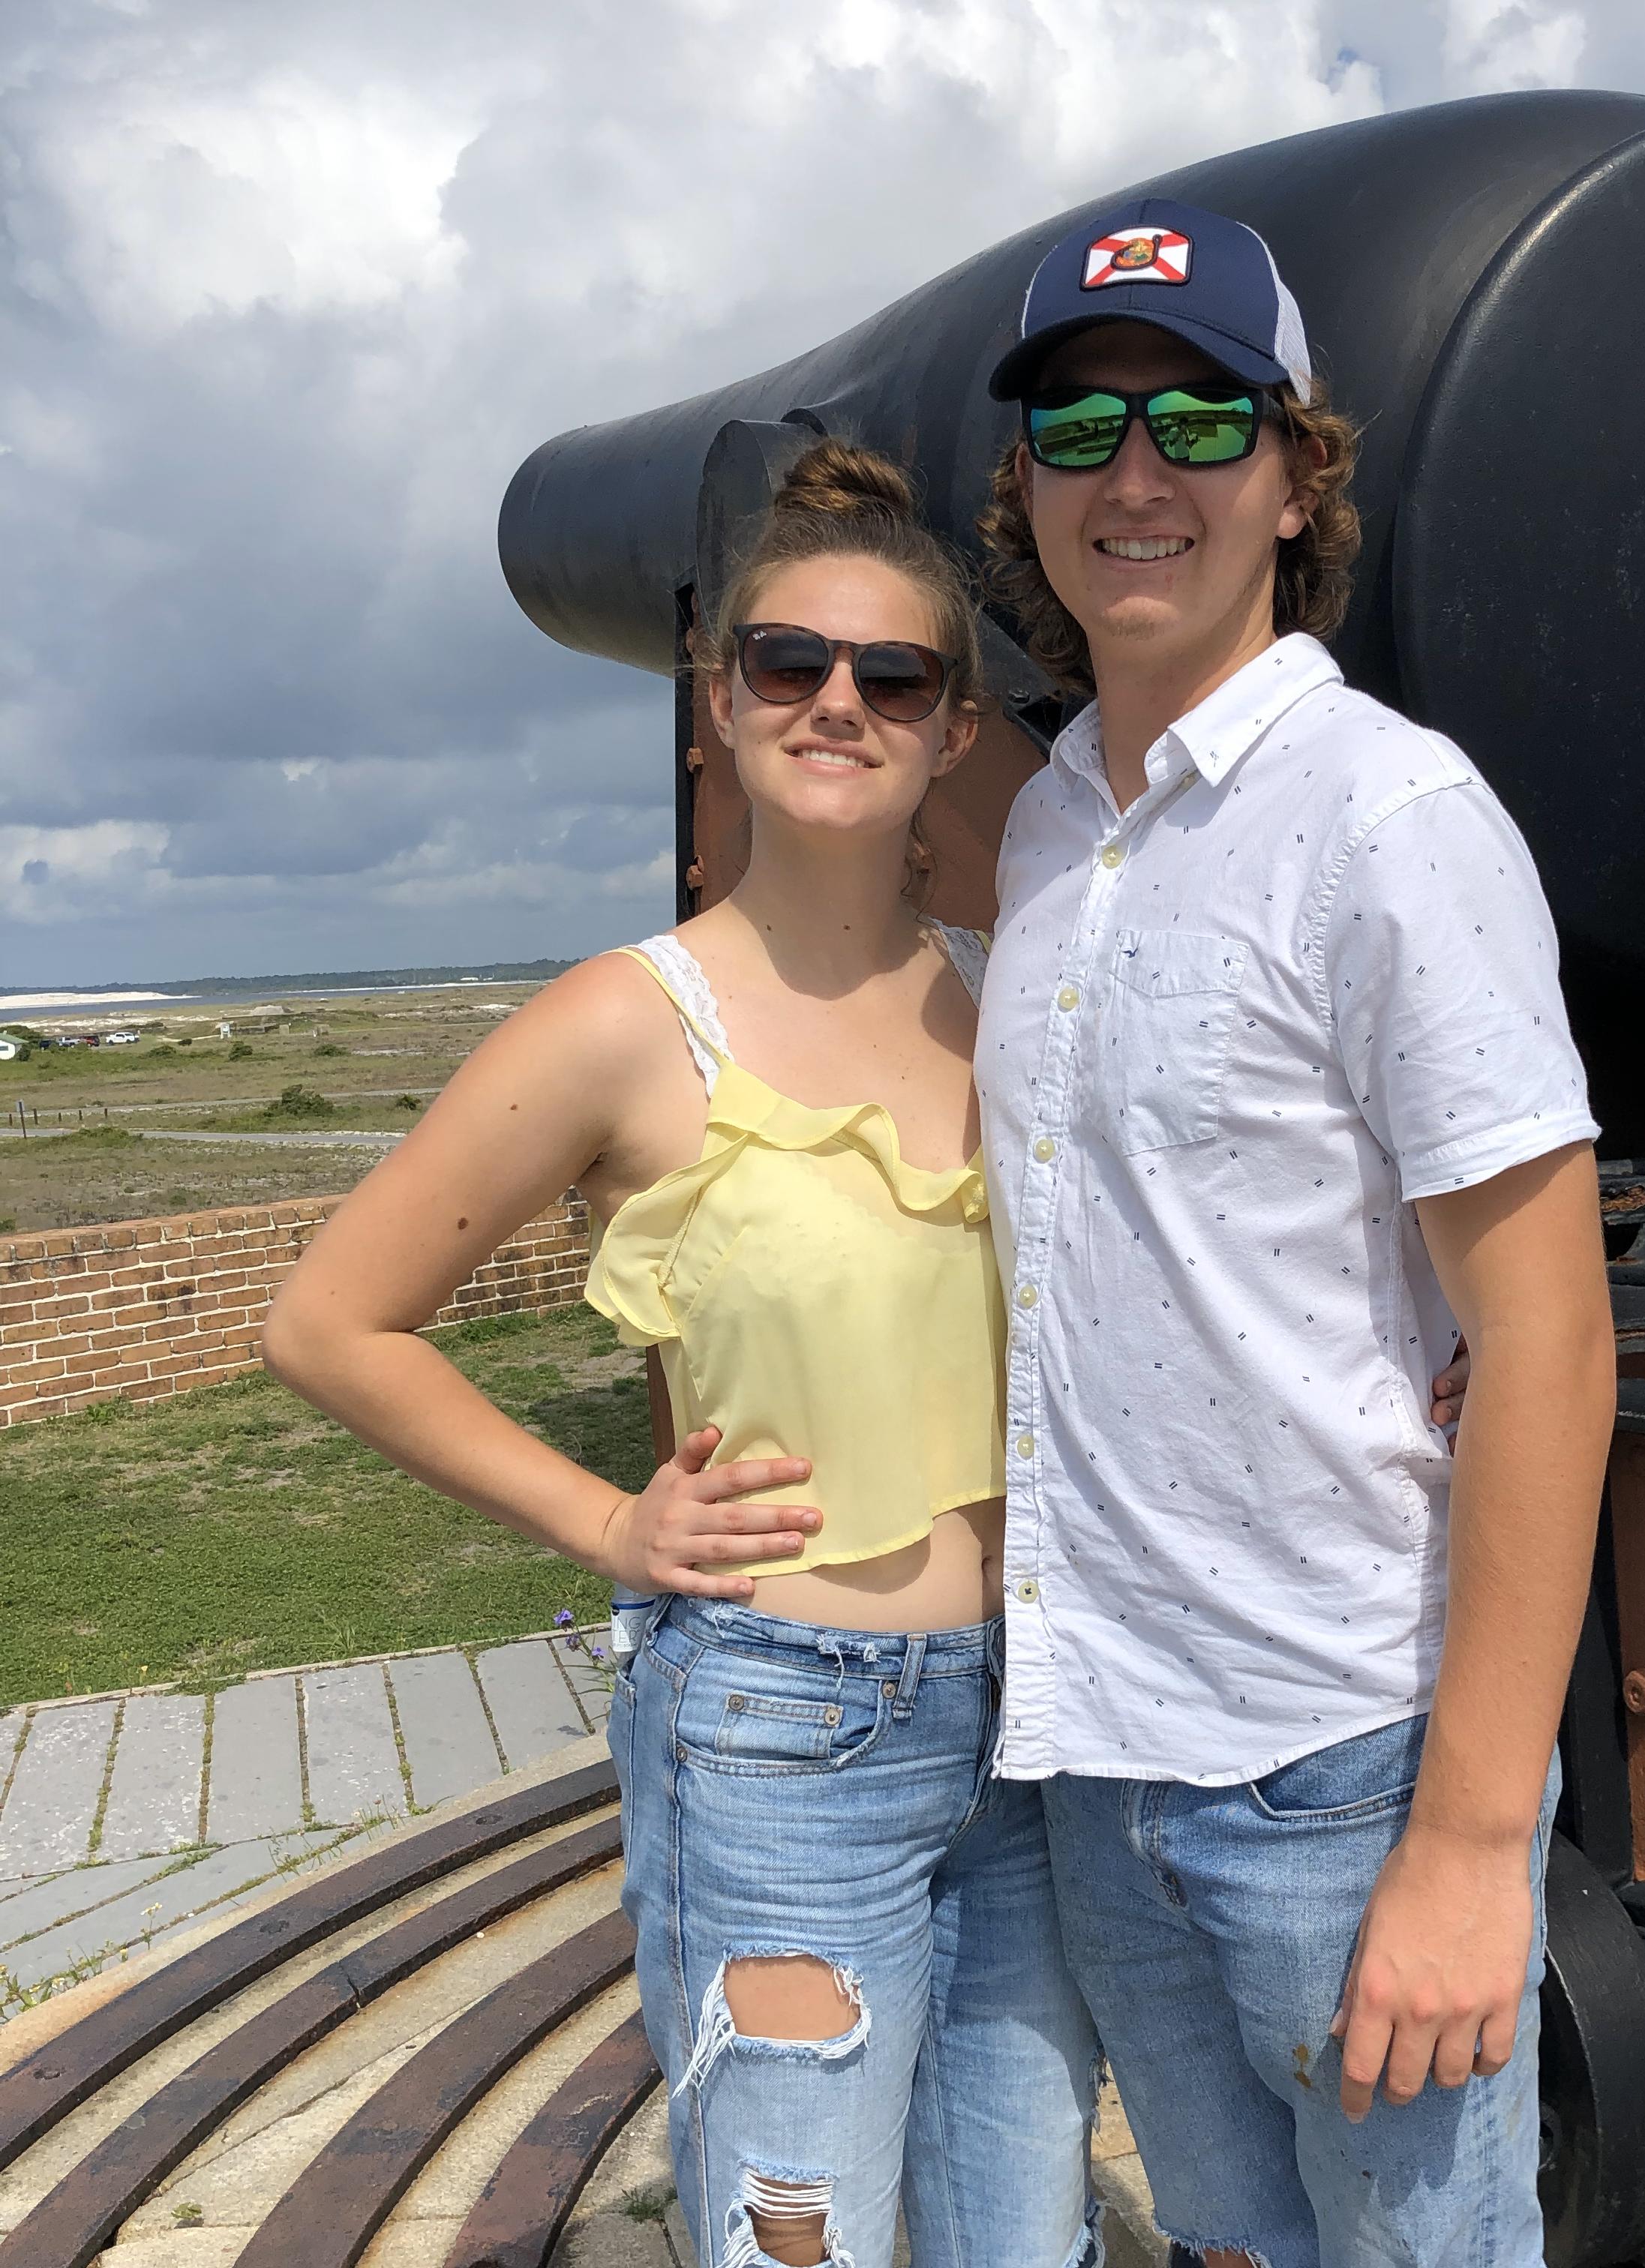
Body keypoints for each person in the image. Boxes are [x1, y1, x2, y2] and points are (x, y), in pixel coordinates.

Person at [262, 442, 1102, 2268]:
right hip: (785, 1730)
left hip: (1037, 1725)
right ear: (718, 700)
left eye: (893, 677)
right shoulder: (629, 1026)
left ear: (955, 730)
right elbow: (330, 1322)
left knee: (1021, 2237)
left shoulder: (1008, 990)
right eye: (788, 662)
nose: (836, 704)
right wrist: (604, 1526)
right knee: (792, 2234)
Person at [971, 200, 1618, 2267]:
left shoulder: (1385, 819)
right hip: (1102, 1764)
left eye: (1195, 418)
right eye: (1080, 431)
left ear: (1293, 471)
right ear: (1028, 490)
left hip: (1331, 1781)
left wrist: (1470, 1841)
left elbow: (1547, 1337)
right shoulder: (1050, 820)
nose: (1135, 476)